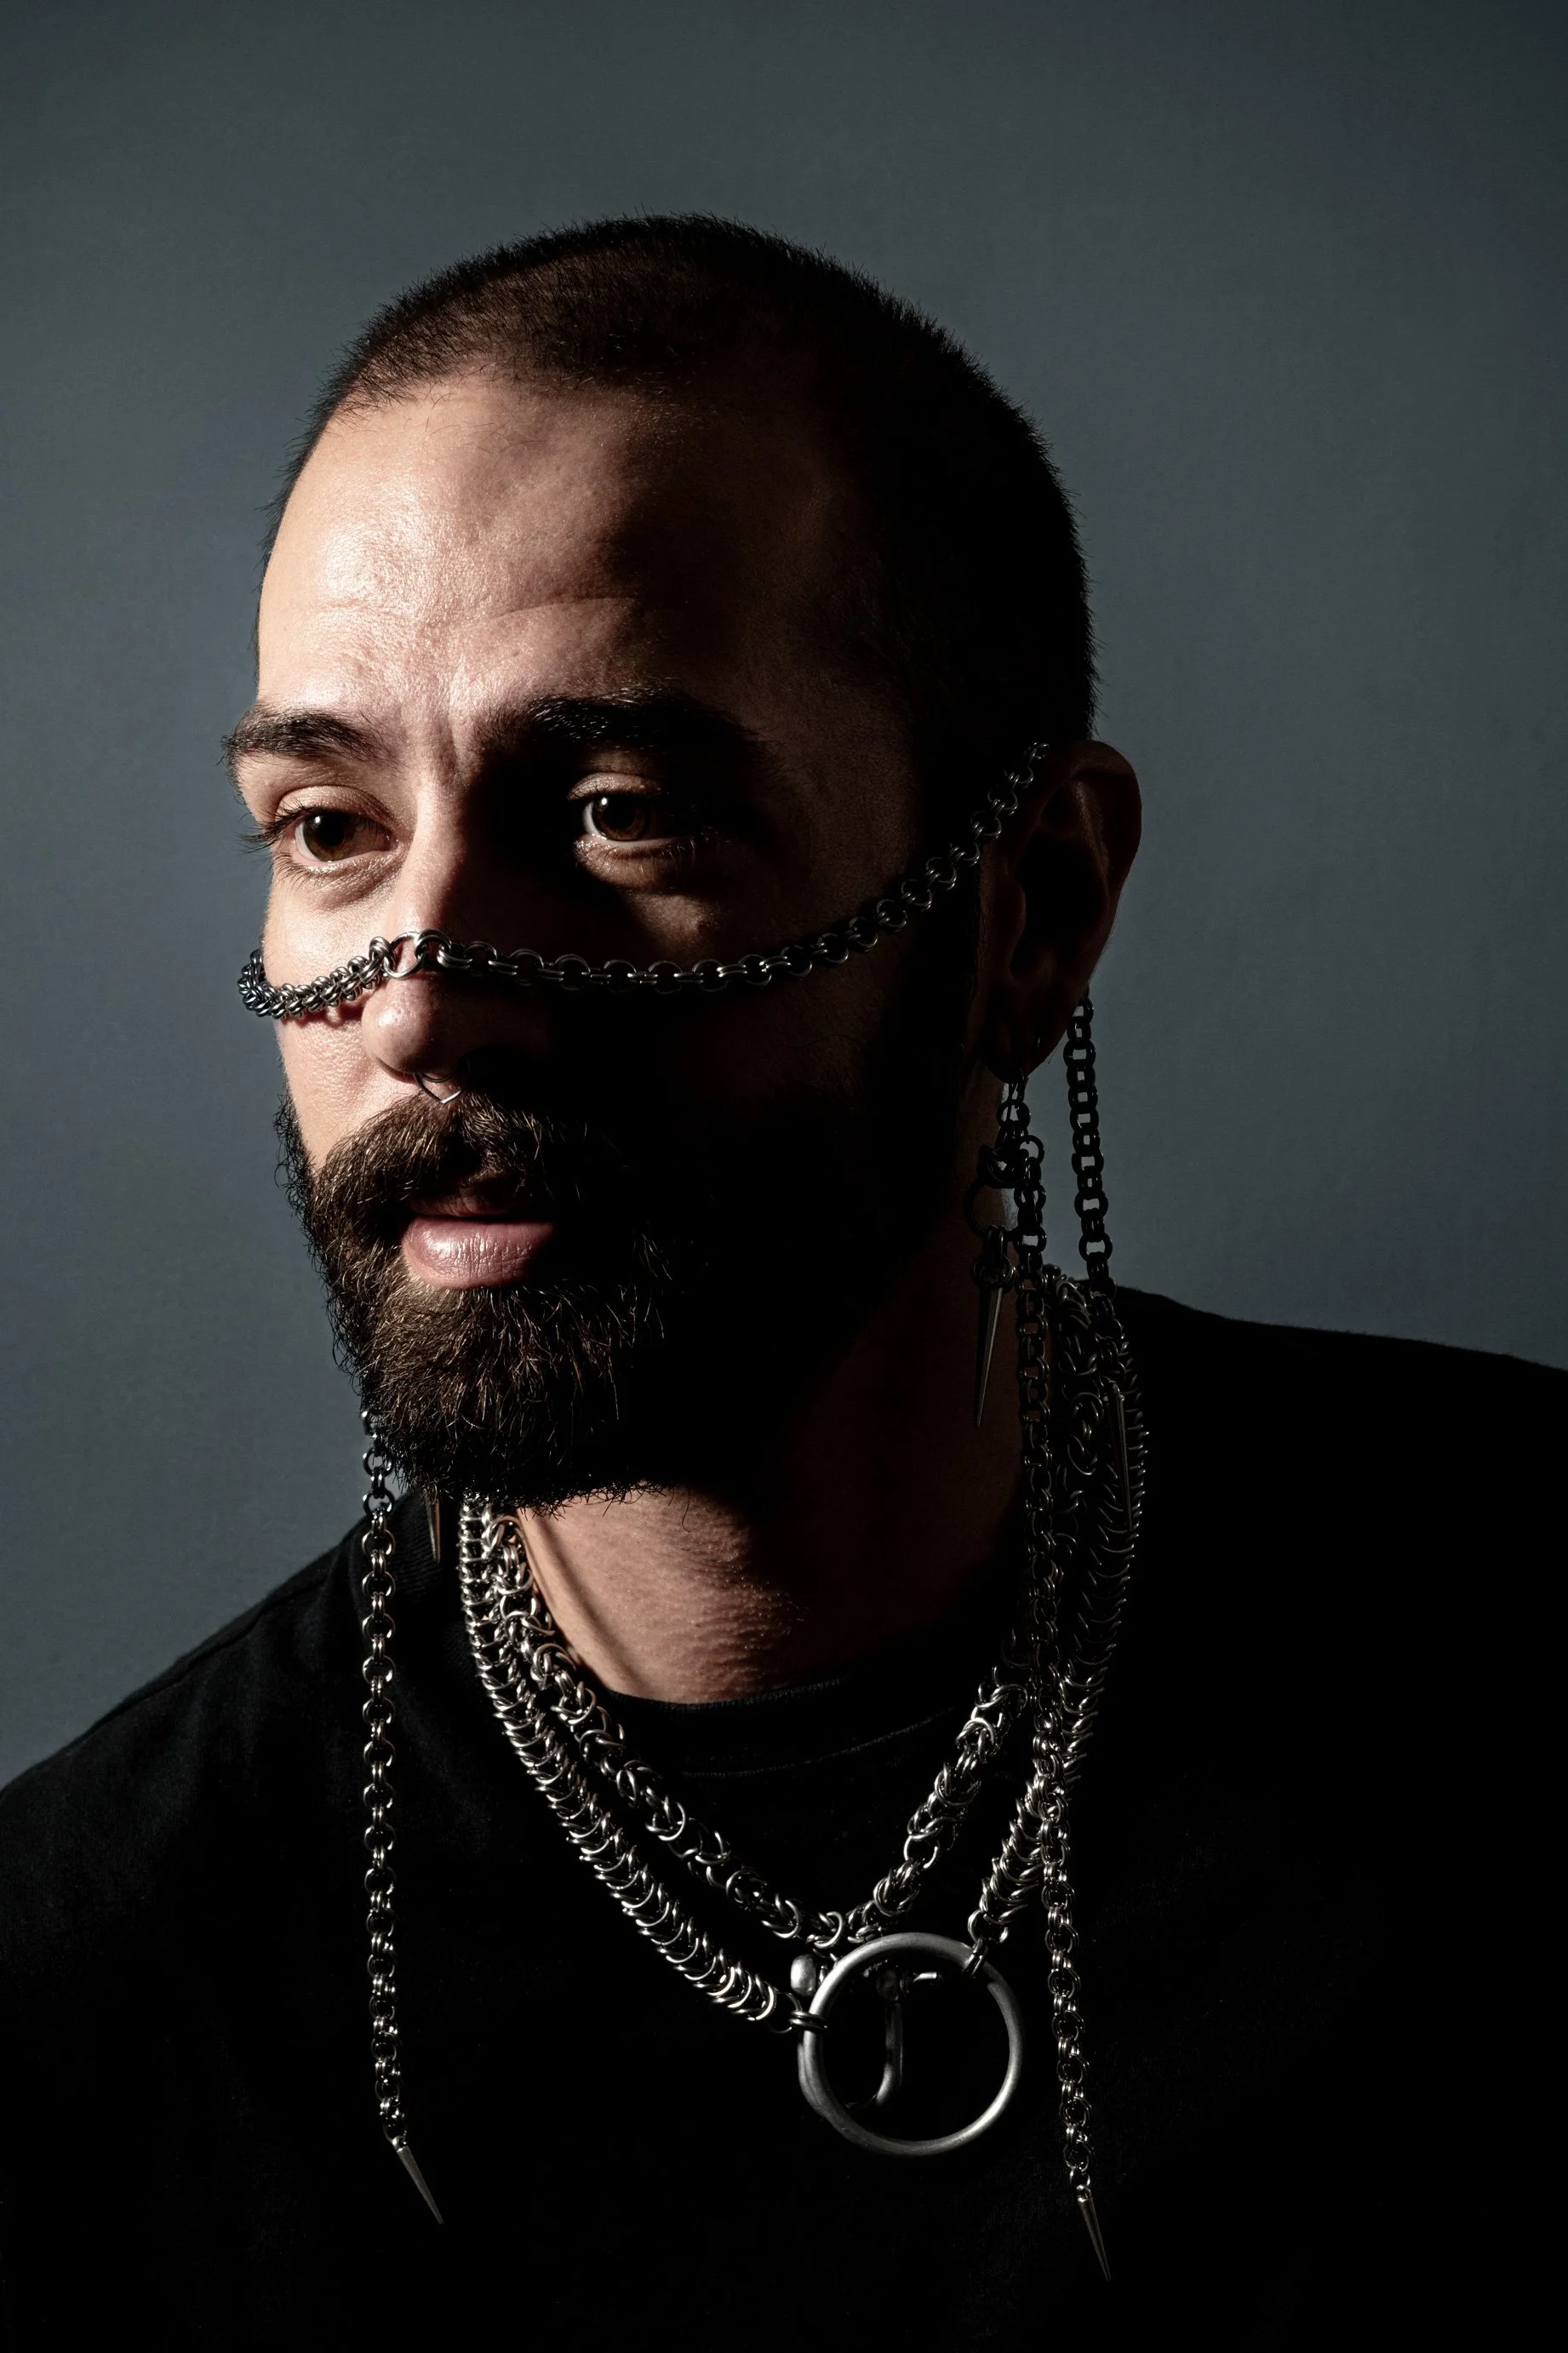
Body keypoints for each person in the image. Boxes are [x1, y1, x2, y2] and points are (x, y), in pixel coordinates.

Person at [0, 217, 1554, 2350]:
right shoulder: (95, 1991)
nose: (425, 1006)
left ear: (1032, 908)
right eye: (332, 825)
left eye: (623, 811)